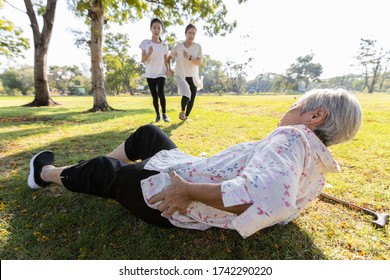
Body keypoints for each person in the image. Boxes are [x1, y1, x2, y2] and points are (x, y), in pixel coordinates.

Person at [28, 88, 362, 239]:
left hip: (171, 200)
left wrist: (188, 192)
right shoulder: (314, 159)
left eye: (295, 105)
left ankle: (44, 174)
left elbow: (266, 199)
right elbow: (283, 200)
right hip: (188, 170)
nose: (285, 112)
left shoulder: (291, 138)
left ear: (315, 116)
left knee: (106, 172)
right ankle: (92, 170)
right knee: (149, 134)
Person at [167, 23, 203, 122]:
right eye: (189, 33)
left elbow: (200, 62)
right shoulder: (178, 47)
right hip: (182, 75)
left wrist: (189, 58)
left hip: (193, 76)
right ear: (185, 33)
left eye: (193, 33)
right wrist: (169, 69)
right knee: (186, 94)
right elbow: (169, 58)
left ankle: (185, 116)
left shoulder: (198, 47)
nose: (191, 35)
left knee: (192, 98)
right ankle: (182, 112)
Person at [139, 18, 171, 123]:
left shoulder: (164, 45)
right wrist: (149, 53)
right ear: (151, 29)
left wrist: (168, 69)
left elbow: (166, 59)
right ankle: (157, 114)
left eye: (158, 28)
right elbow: (143, 59)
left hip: (161, 72)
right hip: (150, 73)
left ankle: (164, 114)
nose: (156, 30)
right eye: (154, 27)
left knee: (161, 92)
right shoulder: (146, 43)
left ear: (161, 30)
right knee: (154, 95)